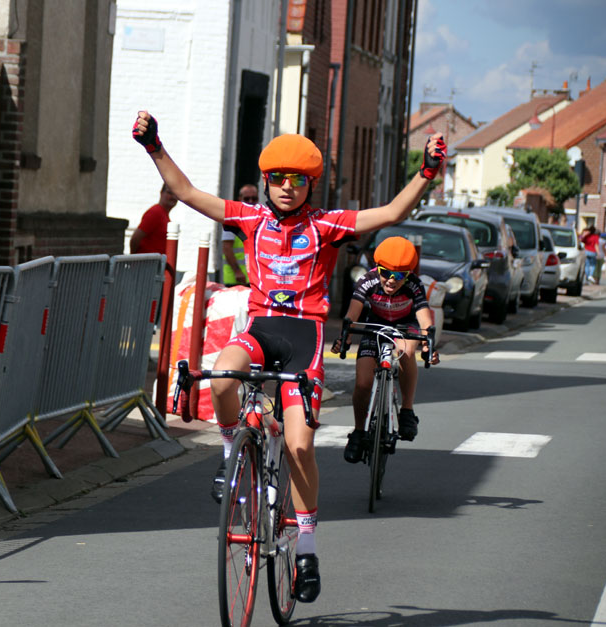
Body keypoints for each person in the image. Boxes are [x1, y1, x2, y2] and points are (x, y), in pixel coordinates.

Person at [132, 110, 446, 604]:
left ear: (309, 186)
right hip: (260, 330)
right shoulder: (250, 218)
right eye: (277, 179)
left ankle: (306, 547)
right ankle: (232, 449)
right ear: (266, 181)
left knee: (299, 446)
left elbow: (388, 215)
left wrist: (426, 174)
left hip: (305, 338)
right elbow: (189, 193)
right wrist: (155, 146)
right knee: (221, 378)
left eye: (296, 181)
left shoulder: (326, 226)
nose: (285, 188)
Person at [331, 237, 440, 463]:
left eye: (399, 275)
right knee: (362, 382)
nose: (391, 280)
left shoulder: (414, 285)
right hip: (376, 325)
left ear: (408, 275)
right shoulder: (367, 281)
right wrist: (346, 336)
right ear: (377, 268)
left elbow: (423, 316)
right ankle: (359, 432)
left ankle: (407, 411)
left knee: (406, 352)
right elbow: (353, 313)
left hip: (404, 325)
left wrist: (429, 342)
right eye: (385, 273)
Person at [222, 183, 258, 286]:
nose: (251, 202)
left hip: (253, 278)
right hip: (235, 278)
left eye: (254, 198)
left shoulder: (259, 219)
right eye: (247, 199)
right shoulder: (233, 220)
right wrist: (237, 271)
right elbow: (226, 248)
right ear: (240, 199)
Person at [129, 183, 178, 254]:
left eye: (176, 194)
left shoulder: (164, 215)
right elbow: (135, 238)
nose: (173, 197)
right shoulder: (155, 212)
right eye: (169, 193)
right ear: (161, 193)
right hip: (148, 263)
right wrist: (134, 259)